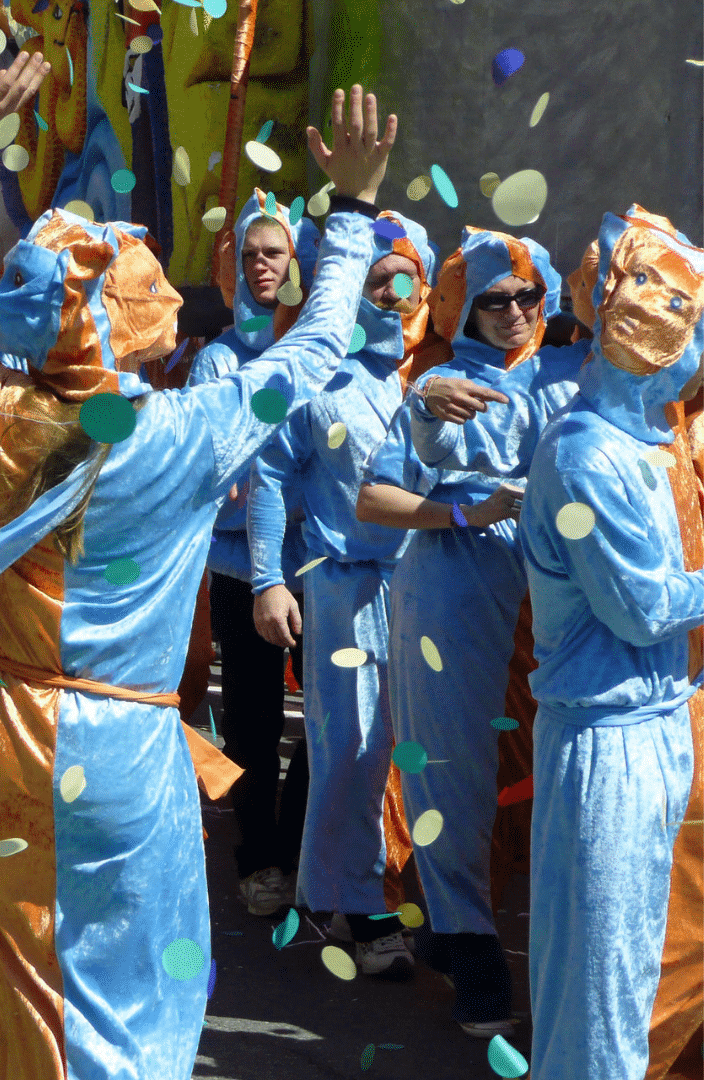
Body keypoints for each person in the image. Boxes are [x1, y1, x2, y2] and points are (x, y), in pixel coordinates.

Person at [0, 53, 392, 1078]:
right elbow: (323, 339)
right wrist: (350, 209)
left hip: (8, 735)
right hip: (128, 752)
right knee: (136, 1002)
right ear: (139, 317)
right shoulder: (197, 425)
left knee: (22, 1003)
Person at [354, 226, 575, 1036]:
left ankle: (463, 923)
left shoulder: (580, 375)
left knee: (553, 767)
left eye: (528, 295)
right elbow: (372, 500)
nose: (514, 311)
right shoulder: (439, 384)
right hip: (456, 587)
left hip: (559, 599)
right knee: (451, 767)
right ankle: (471, 941)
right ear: (466, 307)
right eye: (495, 299)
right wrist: (461, 508)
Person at [517, 208, 704, 1080]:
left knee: (624, 973)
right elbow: (639, 606)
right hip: (608, 742)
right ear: (648, 336)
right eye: (690, 326)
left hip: (650, 729)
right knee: (597, 992)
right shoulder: (585, 455)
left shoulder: (637, 447)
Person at [245, 191, 435, 979]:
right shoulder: (320, 375)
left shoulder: (434, 374)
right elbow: (266, 472)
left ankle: (371, 892)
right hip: (344, 589)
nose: (393, 295)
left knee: (415, 754)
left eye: (407, 279)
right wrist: (267, 579)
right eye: (378, 279)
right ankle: (355, 907)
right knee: (349, 748)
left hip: (428, 591)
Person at [188, 191, 321, 918]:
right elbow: (210, 464)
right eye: (250, 255)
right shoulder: (218, 361)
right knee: (251, 720)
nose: (262, 266)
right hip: (241, 569)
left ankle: (296, 840)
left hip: (320, 565)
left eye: (275, 253)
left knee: (325, 717)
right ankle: (257, 855)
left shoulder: (318, 354)